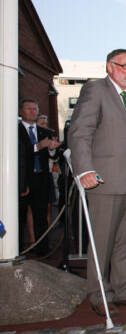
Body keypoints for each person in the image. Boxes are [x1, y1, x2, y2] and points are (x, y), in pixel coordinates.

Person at [68, 50, 126, 316]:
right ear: (110, 66)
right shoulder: (95, 90)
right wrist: (84, 169)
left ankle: (123, 290)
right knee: (102, 240)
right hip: (104, 178)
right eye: (124, 65)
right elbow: (80, 130)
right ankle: (98, 294)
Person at [18, 99, 60, 254]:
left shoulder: (46, 132)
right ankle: (17, 249)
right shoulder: (13, 131)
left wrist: (51, 150)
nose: (32, 111)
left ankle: (43, 249)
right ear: (20, 111)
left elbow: (53, 158)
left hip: (41, 179)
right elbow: (19, 154)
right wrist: (38, 146)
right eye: (28, 109)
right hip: (23, 180)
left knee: (41, 216)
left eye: (35, 109)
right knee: (20, 216)